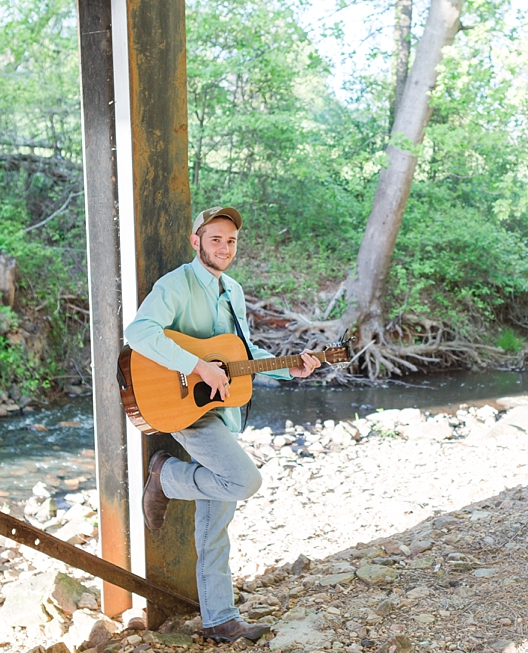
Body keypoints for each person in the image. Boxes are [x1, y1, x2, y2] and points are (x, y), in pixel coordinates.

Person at [124, 206, 321, 643]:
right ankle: (166, 475)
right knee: (243, 481)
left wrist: (293, 370)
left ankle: (219, 619)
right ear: (196, 241)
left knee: (215, 527)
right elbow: (138, 333)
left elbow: (242, 354)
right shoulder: (175, 284)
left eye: (230, 241)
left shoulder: (232, 289)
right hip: (180, 408)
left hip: (219, 411)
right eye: (215, 239)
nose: (224, 248)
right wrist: (197, 365)